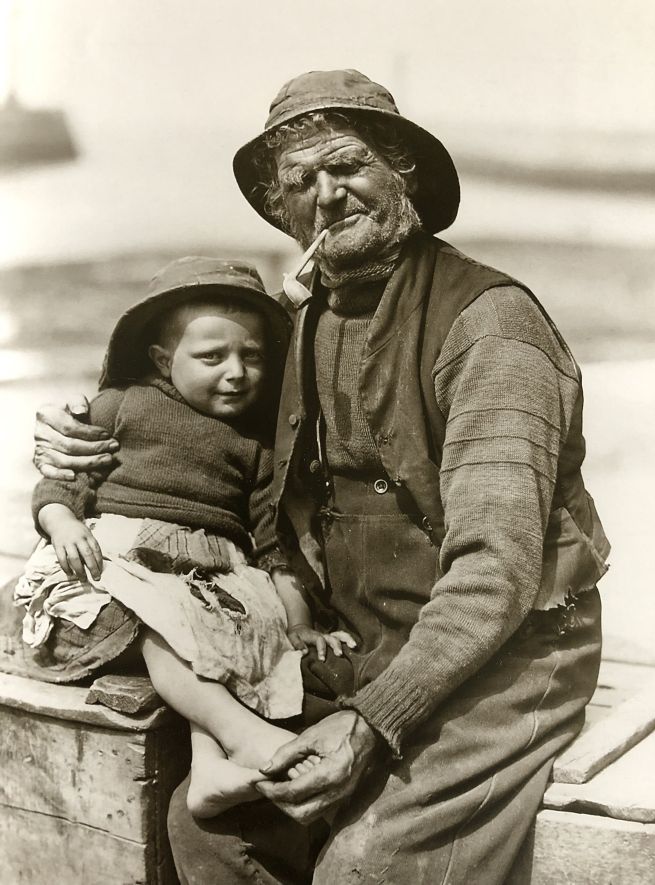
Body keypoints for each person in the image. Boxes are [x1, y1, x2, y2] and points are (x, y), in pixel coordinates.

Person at [33, 70, 610, 883]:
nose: (328, 195)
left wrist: (369, 724)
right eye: (301, 182)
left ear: (402, 175)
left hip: (509, 654)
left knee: (363, 869)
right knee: (209, 828)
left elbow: (497, 572)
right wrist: (71, 451)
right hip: (361, 637)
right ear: (283, 211)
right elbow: (187, 423)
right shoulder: (302, 324)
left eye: (349, 165)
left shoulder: (491, 328)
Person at [19, 255, 354, 820]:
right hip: (112, 568)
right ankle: (241, 734)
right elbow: (62, 482)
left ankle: (210, 768)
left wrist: (297, 620)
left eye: (252, 357)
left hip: (203, 577)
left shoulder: (254, 447)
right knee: (164, 620)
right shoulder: (122, 407)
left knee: (239, 624)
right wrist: (65, 523)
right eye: (211, 357)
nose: (236, 372)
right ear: (160, 358)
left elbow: (271, 543)